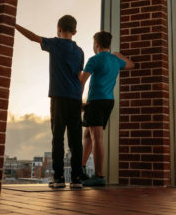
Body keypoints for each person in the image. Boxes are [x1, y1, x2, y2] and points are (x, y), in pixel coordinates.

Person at [15, 16, 85, 189]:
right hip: (75, 98)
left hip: (59, 97)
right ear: (75, 31)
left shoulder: (55, 43)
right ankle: (76, 179)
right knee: (76, 140)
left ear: (59, 28)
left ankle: (59, 178)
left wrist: (14, 24)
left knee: (58, 137)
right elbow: (79, 76)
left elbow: (33, 37)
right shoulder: (80, 51)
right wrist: (79, 97)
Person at [78, 31, 134, 187]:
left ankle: (99, 176)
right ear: (108, 44)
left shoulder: (94, 60)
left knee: (97, 138)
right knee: (88, 135)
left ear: (96, 44)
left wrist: (77, 101)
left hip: (95, 101)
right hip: (108, 101)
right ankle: (81, 167)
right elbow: (131, 64)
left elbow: (82, 81)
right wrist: (119, 55)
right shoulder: (115, 60)